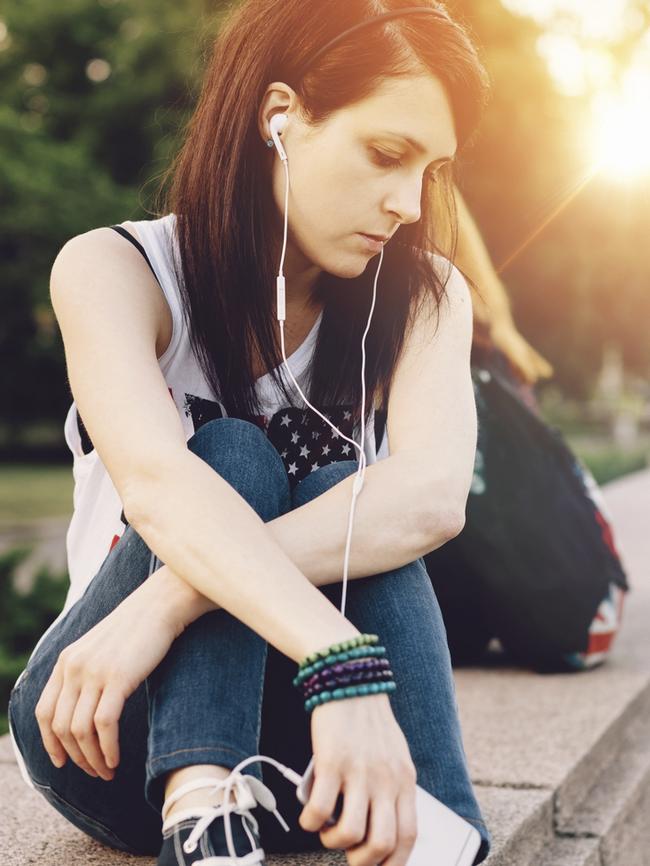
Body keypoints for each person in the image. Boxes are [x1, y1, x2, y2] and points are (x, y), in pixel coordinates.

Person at [7, 2, 493, 864]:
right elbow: (161, 488)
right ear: (281, 117)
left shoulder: (426, 296)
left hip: (317, 749)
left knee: (353, 492)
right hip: (109, 719)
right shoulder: (116, 270)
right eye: (387, 155)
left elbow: (429, 498)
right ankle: (205, 812)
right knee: (231, 454)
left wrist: (172, 598)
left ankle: (439, 834)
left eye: (433, 170)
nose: (408, 203)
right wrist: (338, 651)